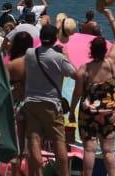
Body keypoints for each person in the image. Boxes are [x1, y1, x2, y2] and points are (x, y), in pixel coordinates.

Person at [71, 8, 115, 176]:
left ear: (91, 51)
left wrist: (71, 111)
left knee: (90, 149)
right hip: (110, 111)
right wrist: (110, 16)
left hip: (89, 112)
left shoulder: (83, 71)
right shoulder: (111, 63)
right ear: (104, 50)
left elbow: (77, 93)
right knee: (108, 150)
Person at [23, 23, 75, 176]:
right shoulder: (59, 58)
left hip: (31, 102)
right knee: (59, 140)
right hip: (51, 103)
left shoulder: (30, 53)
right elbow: (74, 74)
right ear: (55, 39)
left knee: (34, 139)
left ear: (40, 38)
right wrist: (64, 55)